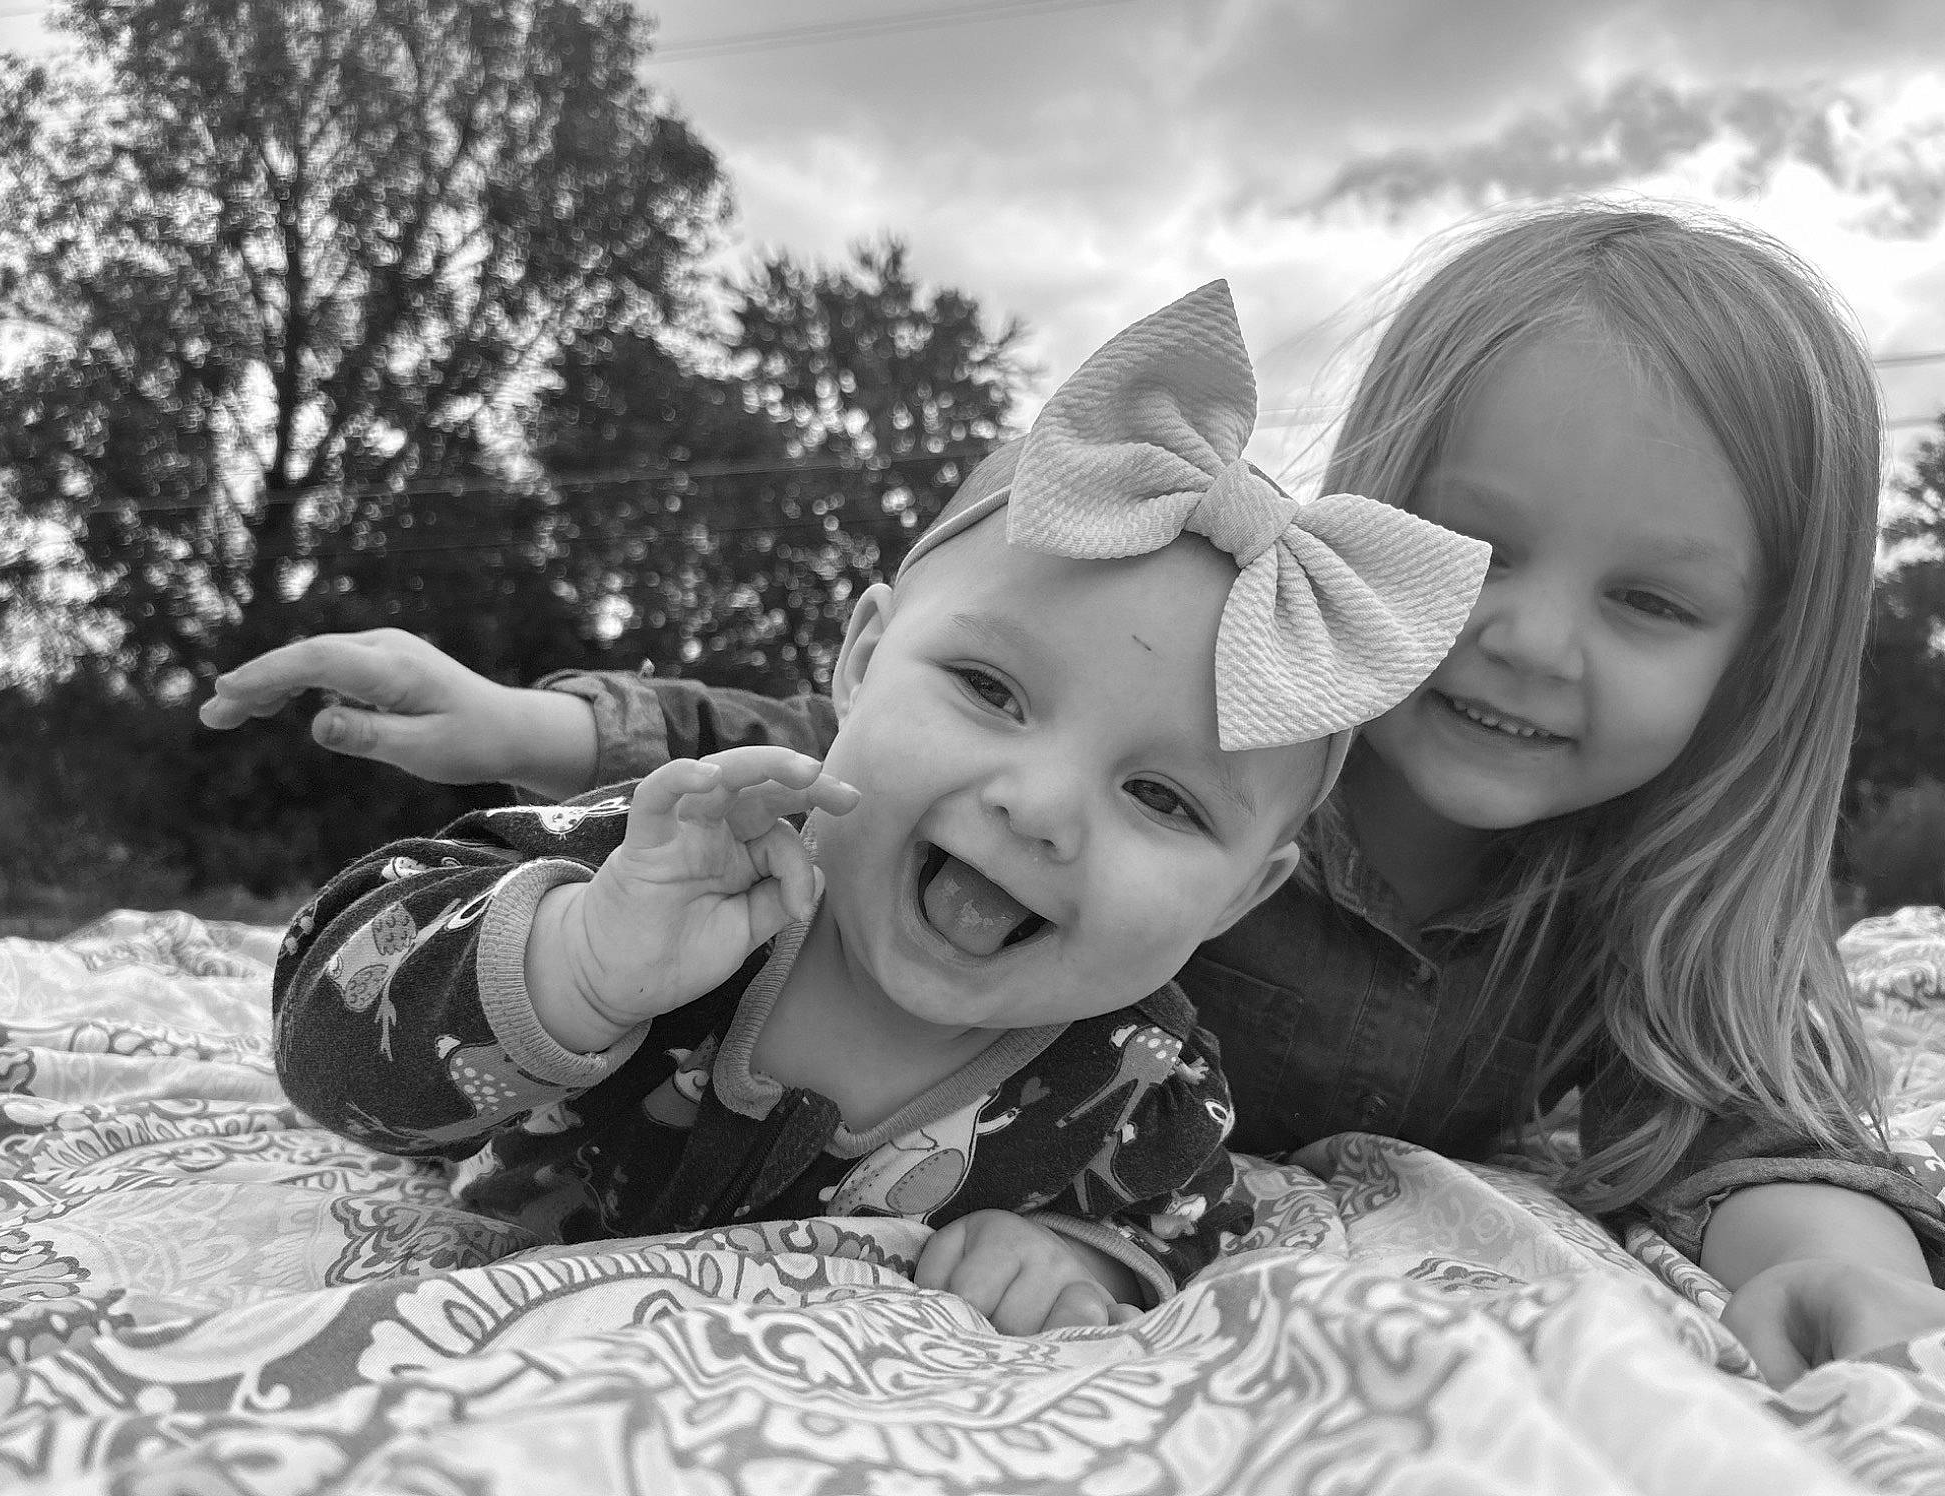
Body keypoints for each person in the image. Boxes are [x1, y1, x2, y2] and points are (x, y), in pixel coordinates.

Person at [209, 200, 1945, 1384]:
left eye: (1647, 603)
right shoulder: (1185, 708)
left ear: (1759, 661)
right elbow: (843, 740)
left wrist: (1827, 1259)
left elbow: (1742, 1105)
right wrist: (543, 727)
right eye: (1476, 547)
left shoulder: (1635, 903)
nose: (1527, 639)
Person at [265, 282, 1491, 1336]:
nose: (1041, 805)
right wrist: (571, 964)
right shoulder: (671, 866)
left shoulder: (1136, 1086)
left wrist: (1081, 1260)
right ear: (858, 663)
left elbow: (1194, 1228)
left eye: (1163, 797)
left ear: (1243, 895)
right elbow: (327, 1048)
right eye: (989, 688)